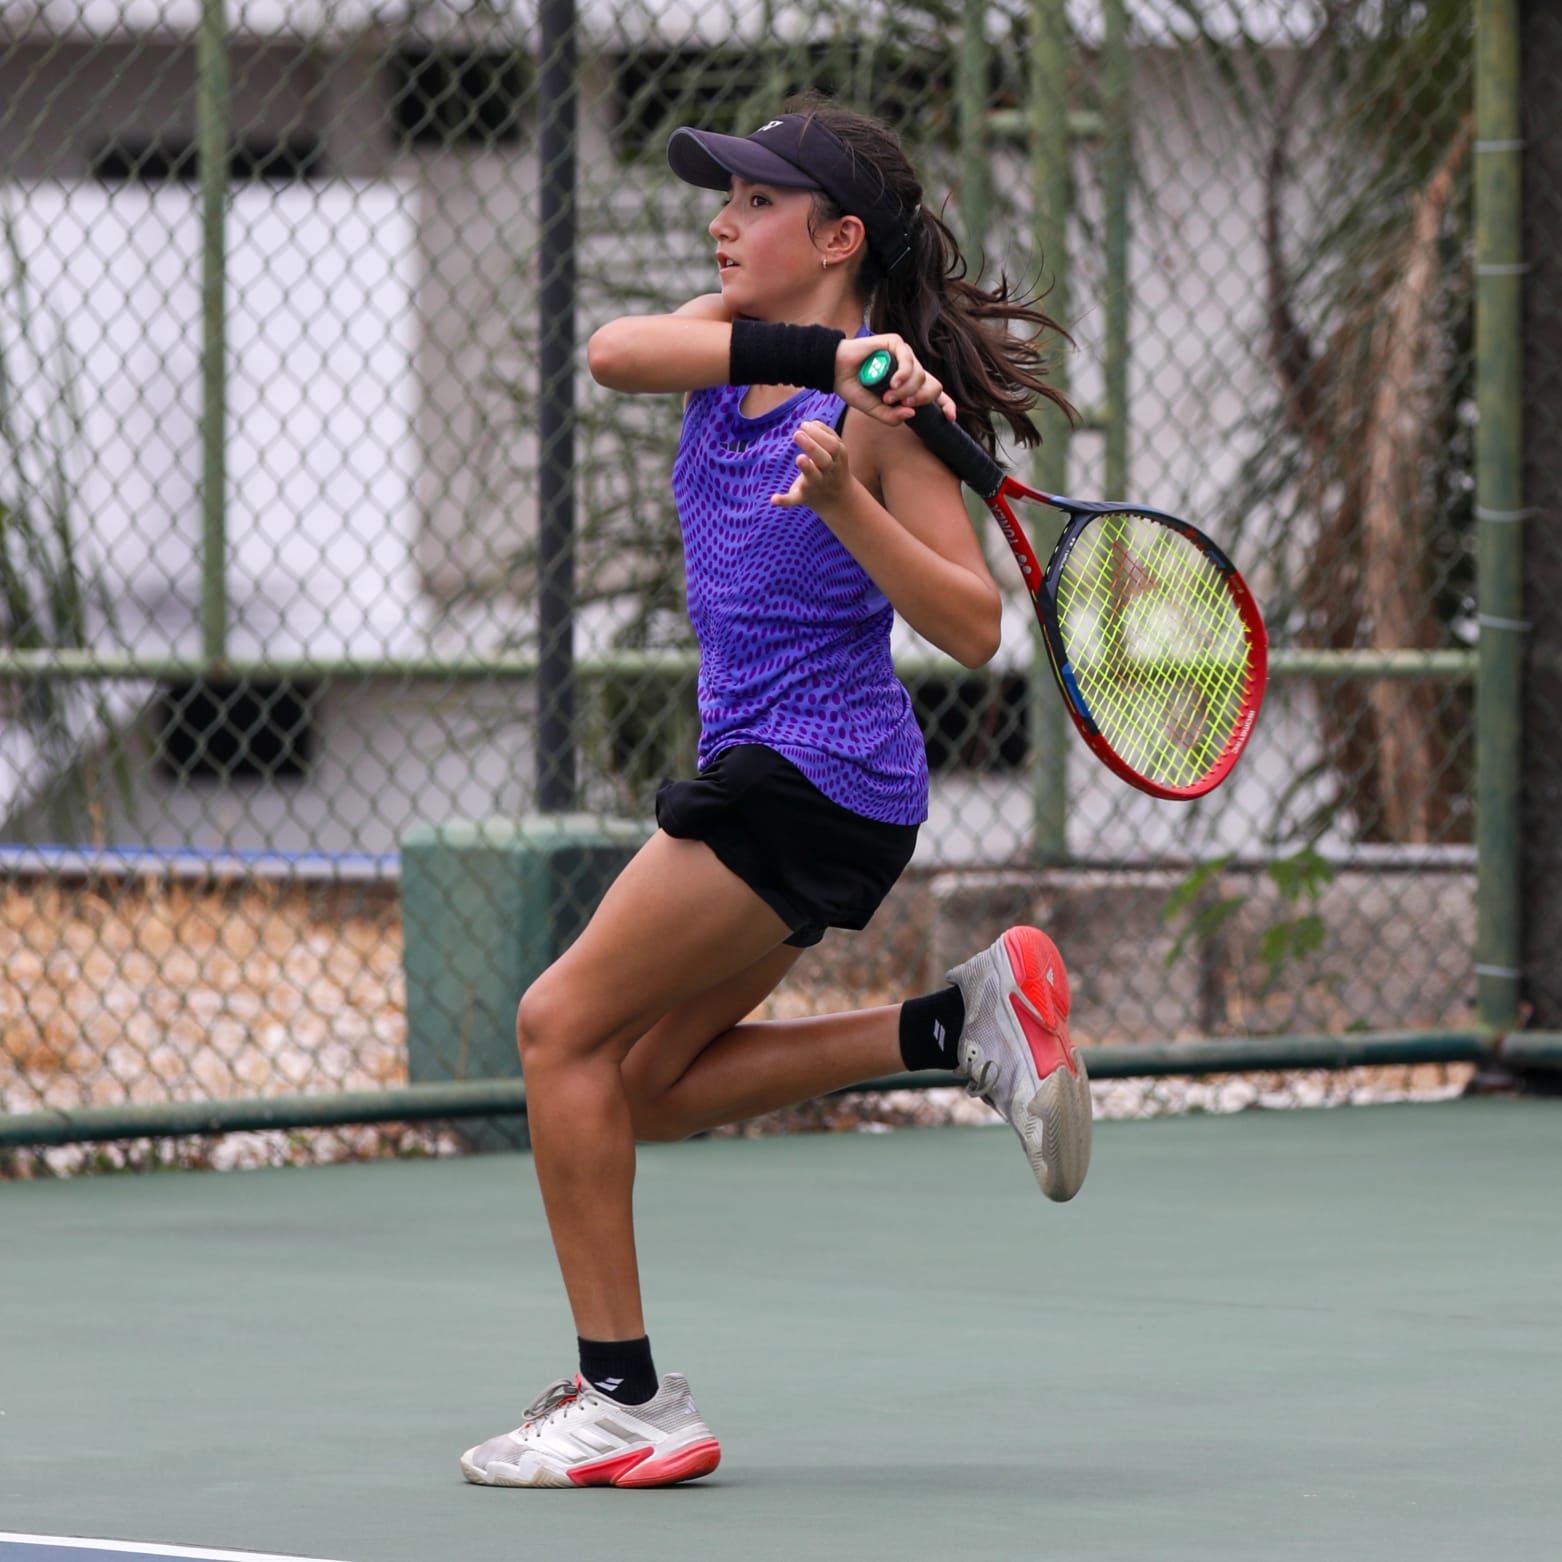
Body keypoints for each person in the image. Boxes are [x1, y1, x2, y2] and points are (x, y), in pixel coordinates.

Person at [460, 97, 1091, 1491]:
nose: (720, 222)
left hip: (812, 772)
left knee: (555, 1024)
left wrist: (854, 496)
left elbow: (975, 627)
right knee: (646, 1087)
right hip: (786, 774)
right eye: (723, 200)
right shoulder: (752, 346)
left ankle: (623, 1398)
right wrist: (829, 350)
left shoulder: (882, 418)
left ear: (836, 234)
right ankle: (952, 1023)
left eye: (752, 203)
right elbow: (616, 350)